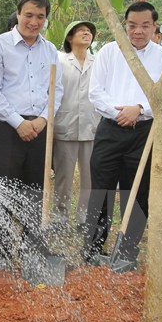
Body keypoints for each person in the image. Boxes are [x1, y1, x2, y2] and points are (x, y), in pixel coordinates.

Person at [84, 1, 162, 263]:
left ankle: (128, 251)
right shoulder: (109, 52)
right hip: (110, 129)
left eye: (145, 26)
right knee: (101, 190)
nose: (138, 31)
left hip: (144, 133)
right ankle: (93, 250)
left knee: (137, 193)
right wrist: (120, 113)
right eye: (132, 25)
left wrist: (139, 109)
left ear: (155, 27)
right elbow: (95, 91)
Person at [0, 0, 62, 190]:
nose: (34, 22)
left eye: (40, 17)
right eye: (29, 15)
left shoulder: (50, 49)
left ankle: (33, 224)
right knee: (3, 192)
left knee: (36, 193)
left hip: (40, 129)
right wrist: (18, 123)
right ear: (18, 13)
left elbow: (57, 90)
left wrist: (44, 119)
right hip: (7, 129)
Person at [53, 21, 99, 226]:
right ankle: (60, 216)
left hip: (92, 126)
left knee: (90, 176)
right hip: (66, 124)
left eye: (89, 31)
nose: (86, 33)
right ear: (69, 38)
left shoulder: (97, 62)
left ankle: (83, 216)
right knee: (64, 176)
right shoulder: (60, 61)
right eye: (81, 31)